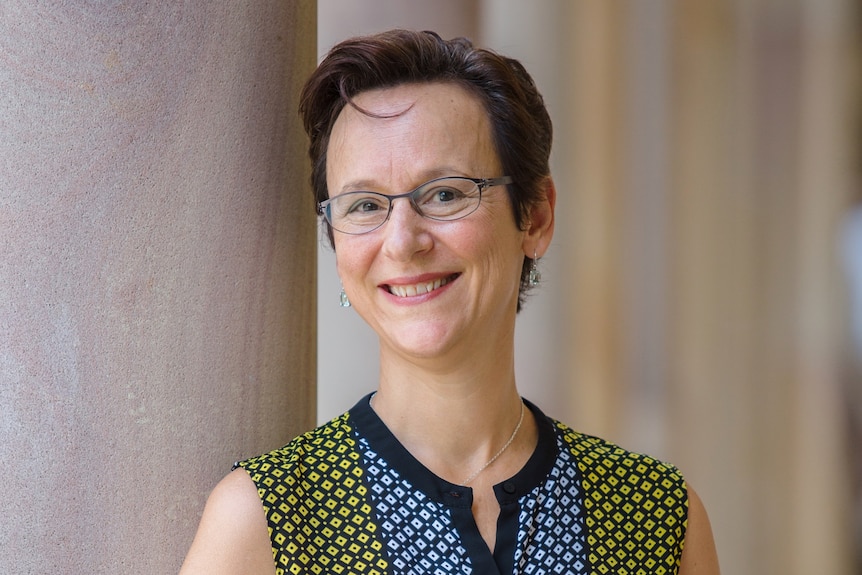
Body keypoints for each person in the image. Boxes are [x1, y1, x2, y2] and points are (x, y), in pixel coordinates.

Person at [180, 29, 720, 575]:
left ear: (534, 217)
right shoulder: (268, 520)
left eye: (444, 193)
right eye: (365, 205)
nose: (402, 241)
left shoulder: (656, 517)